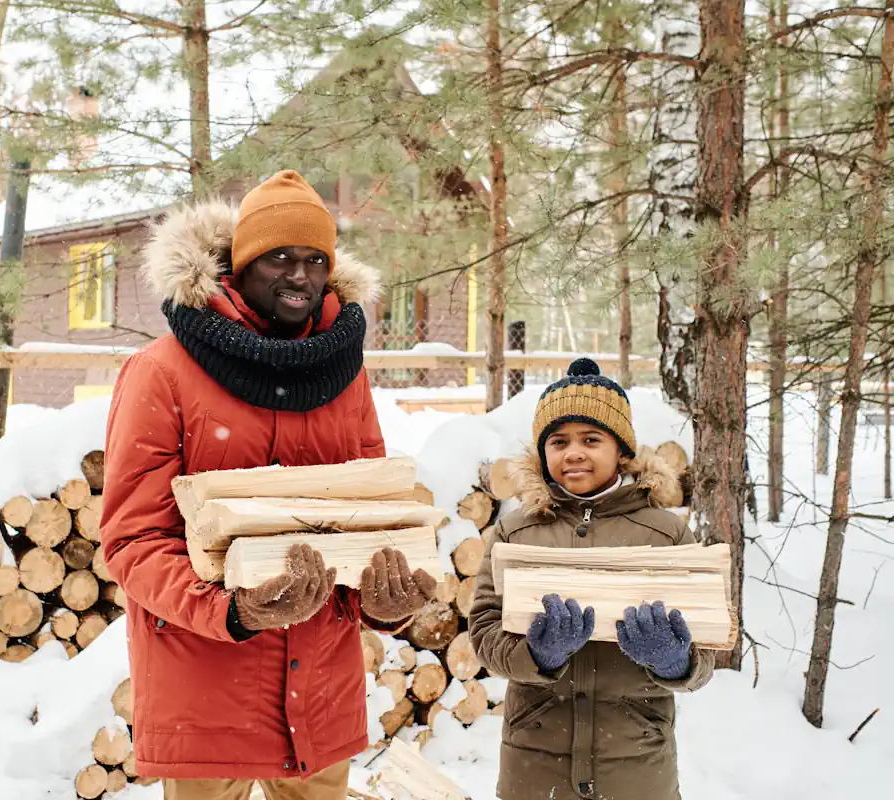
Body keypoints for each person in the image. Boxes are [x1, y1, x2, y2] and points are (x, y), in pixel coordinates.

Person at [100, 170, 437, 800]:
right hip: (205, 686)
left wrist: (379, 603)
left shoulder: (346, 373)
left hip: (321, 693)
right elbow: (132, 539)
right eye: (279, 256)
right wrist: (229, 609)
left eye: (315, 258)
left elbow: (367, 522)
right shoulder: (161, 374)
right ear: (241, 263)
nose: (299, 275)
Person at [468, 358, 714, 800]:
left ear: (621, 450)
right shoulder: (515, 531)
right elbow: (484, 632)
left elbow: (707, 649)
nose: (573, 452)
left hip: (637, 770)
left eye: (591, 439)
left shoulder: (666, 533)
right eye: (558, 441)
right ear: (543, 453)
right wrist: (538, 655)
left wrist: (673, 661)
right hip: (535, 767)